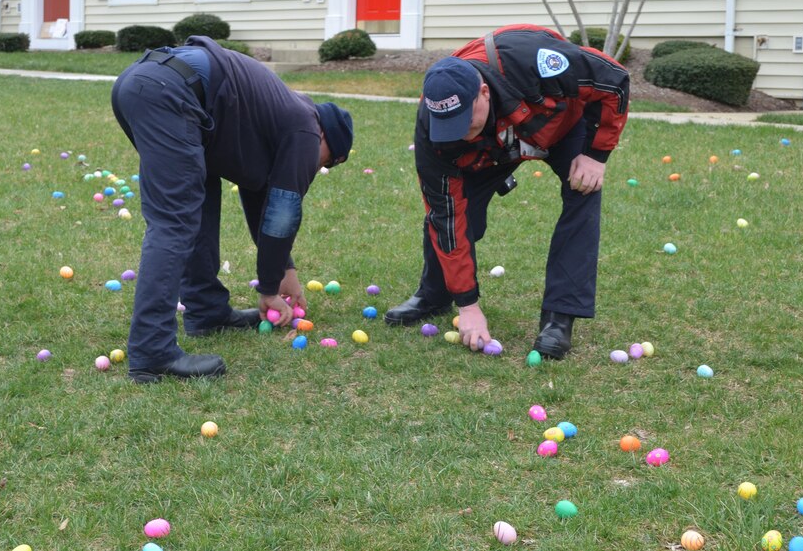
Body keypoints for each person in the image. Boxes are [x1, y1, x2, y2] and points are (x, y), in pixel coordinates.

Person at [111, 36, 353, 383]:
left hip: (145, 84)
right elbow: (282, 212)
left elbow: (262, 199)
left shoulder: (277, 119)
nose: (317, 170)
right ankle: (152, 352)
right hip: (170, 92)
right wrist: (270, 288)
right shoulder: (305, 127)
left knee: (200, 198)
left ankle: (207, 311)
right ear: (326, 140)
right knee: (174, 222)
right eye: (326, 162)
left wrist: (283, 268)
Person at [385, 24, 629, 360]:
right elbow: (446, 215)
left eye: (466, 123)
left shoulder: (535, 61)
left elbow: (614, 78)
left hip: (561, 127)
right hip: (493, 149)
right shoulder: (436, 131)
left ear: (483, 92)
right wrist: (467, 305)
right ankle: (435, 294)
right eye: (452, 127)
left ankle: (559, 317)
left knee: (583, 192)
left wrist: (597, 154)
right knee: (455, 217)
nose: (463, 135)